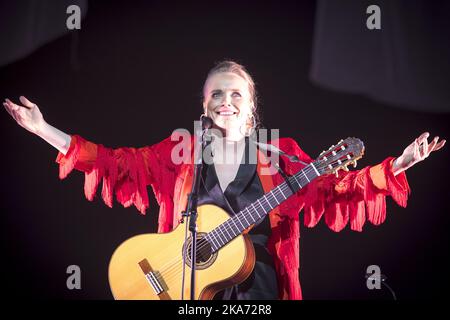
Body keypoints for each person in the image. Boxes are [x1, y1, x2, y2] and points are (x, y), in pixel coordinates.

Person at [3, 61, 446, 300]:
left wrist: (399, 165)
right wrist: (44, 129)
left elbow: (333, 190)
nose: (226, 100)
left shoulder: (281, 155)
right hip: (184, 286)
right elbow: (113, 164)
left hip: (260, 288)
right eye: (217, 92)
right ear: (204, 103)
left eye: (236, 93)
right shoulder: (180, 153)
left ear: (251, 105)